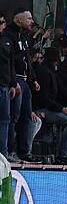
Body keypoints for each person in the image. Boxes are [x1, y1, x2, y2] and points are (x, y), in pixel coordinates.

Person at [33, 48, 67, 164]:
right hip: (43, 108)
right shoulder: (44, 72)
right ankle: (63, 155)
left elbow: (62, 91)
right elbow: (44, 99)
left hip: (51, 107)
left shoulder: (52, 73)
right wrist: (61, 108)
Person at [7, 9, 40, 161]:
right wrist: (13, 82)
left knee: (26, 116)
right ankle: (10, 150)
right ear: (18, 19)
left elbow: (27, 60)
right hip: (17, 81)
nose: (31, 21)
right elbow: (10, 62)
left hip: (26, 81)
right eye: (29, 18)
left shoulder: (24, 37)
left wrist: (33, 79)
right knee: (14, 117)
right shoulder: (9, 36)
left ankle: (24, 152)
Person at [0, 13, 16, 159]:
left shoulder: (7, 41)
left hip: (4, 86)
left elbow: (11, 64)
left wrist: (13, 83)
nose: (1, 25)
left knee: (5, 120)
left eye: (3, 22)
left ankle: (3, 153)